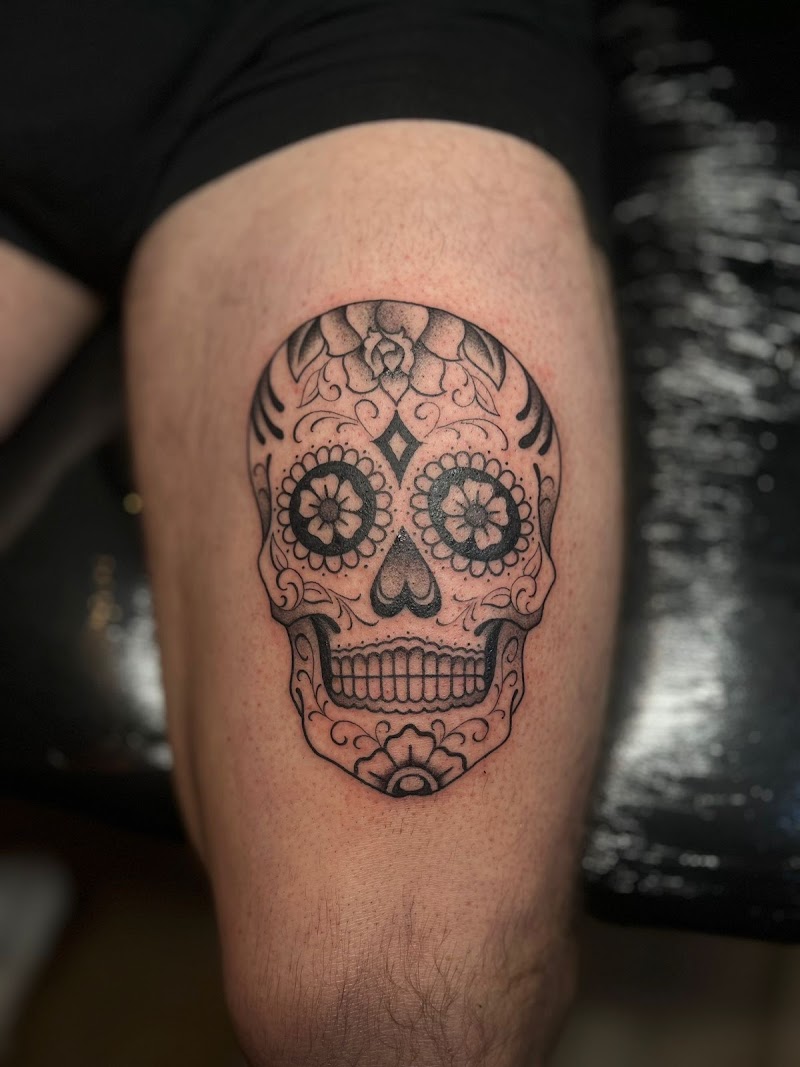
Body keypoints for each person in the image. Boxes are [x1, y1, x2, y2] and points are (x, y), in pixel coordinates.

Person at [0, 2, 622, 1063]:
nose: (402, 589)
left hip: (362, 37)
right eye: (335, 514)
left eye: (468, 519)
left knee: (394, 1003)